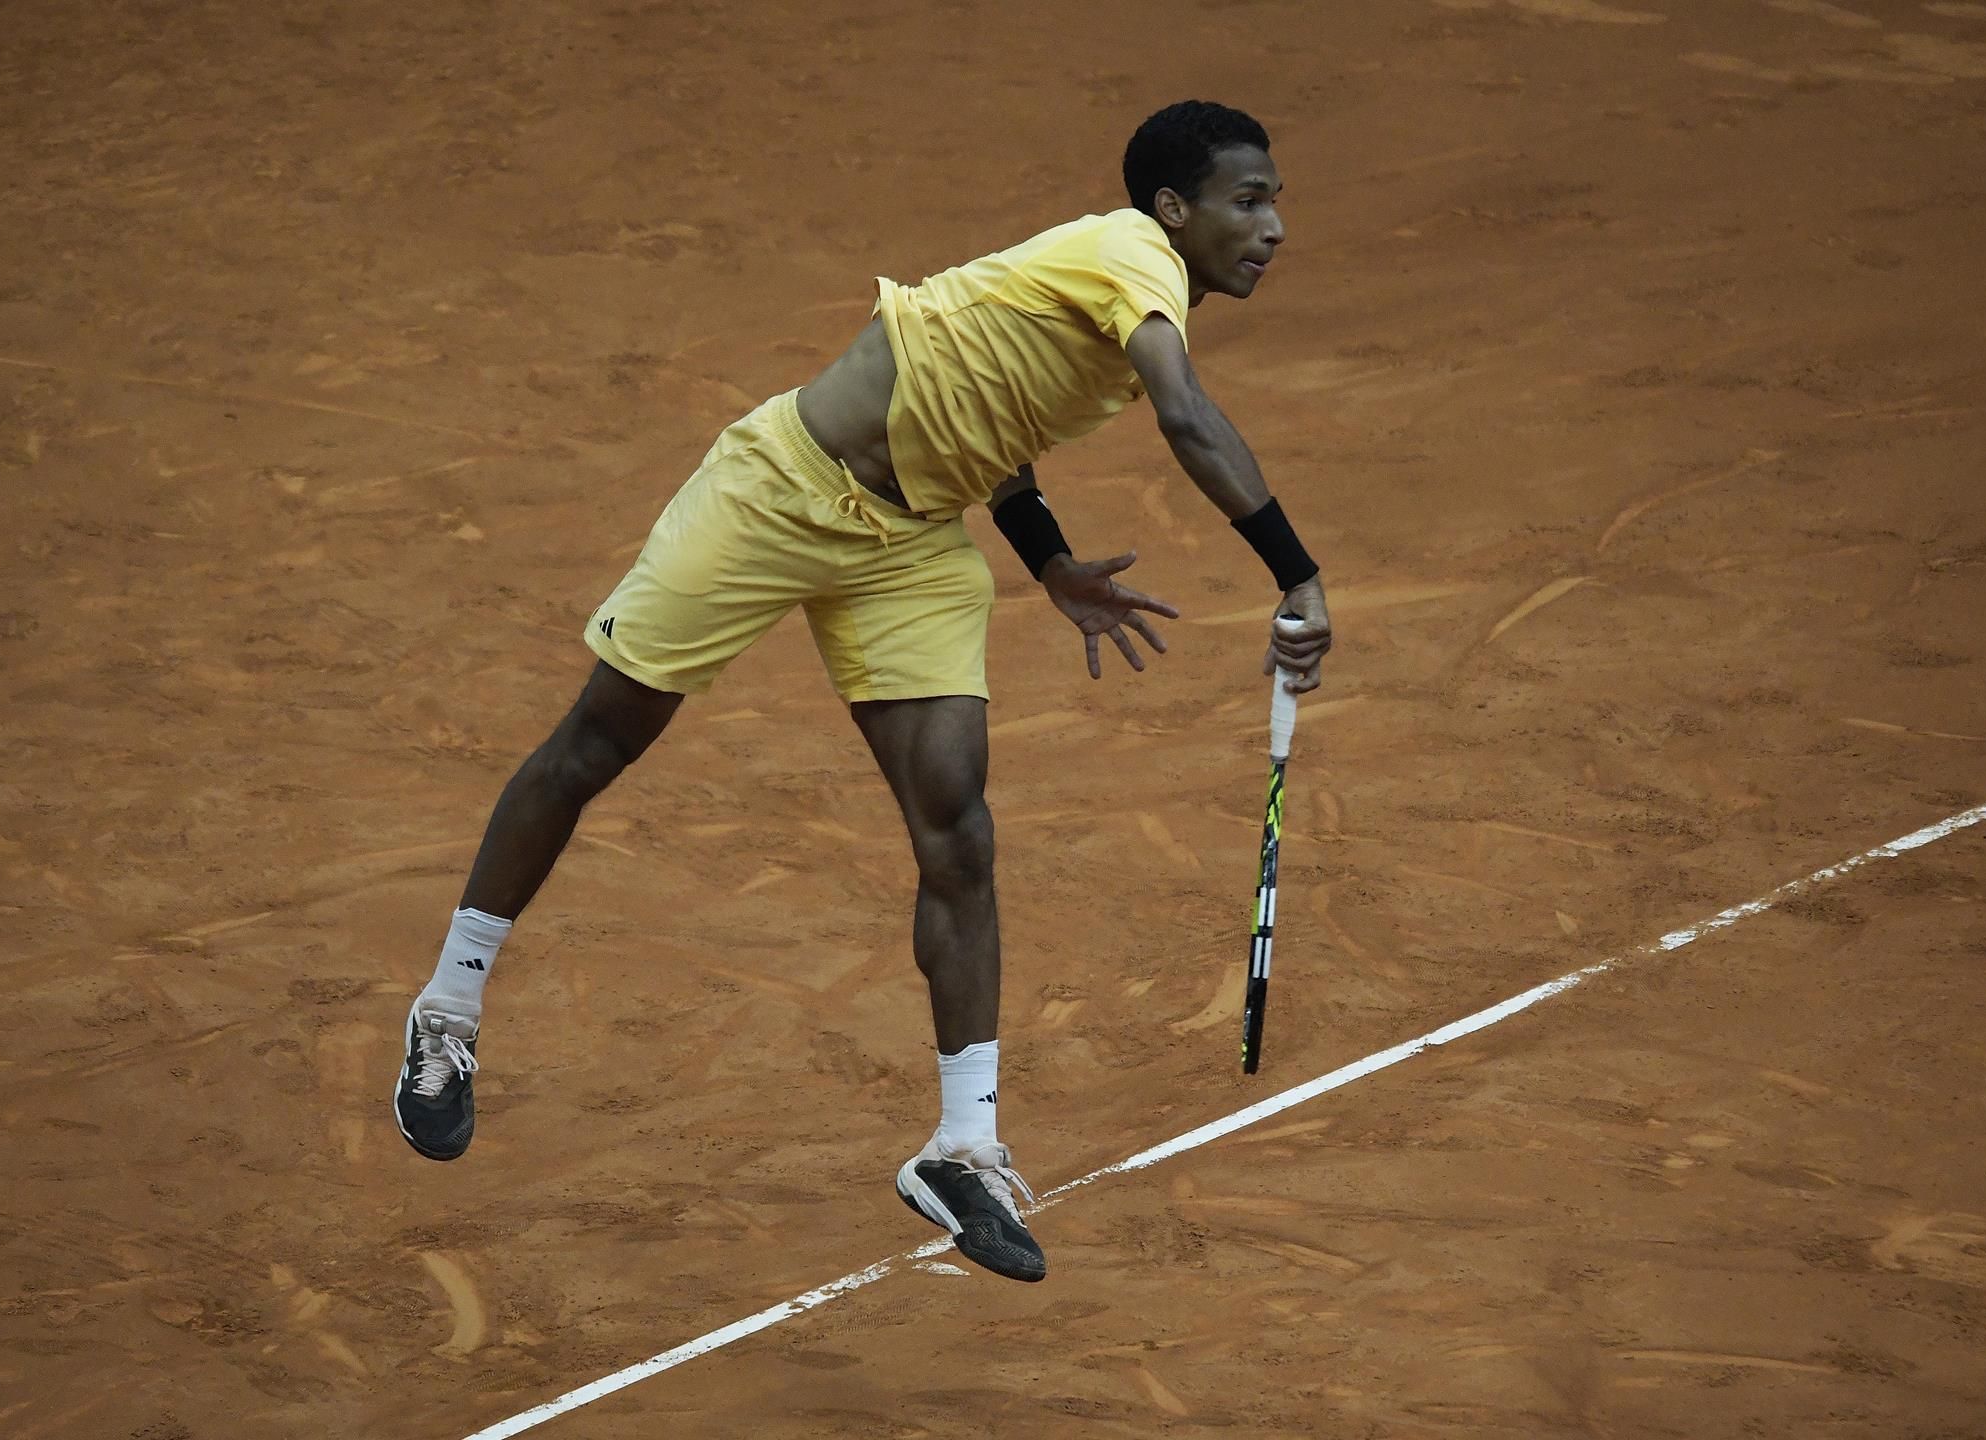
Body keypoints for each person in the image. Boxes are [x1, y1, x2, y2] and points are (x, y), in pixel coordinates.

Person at [392, 100, 1331, 1283]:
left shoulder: (1110, 300)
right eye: (1250, 201)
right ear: (1173, 210)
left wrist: (1044, 559)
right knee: (598, 743)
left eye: (1276, 200)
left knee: (958, 826)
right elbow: (1188, 422)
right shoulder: (1130, 260)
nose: (1275, 226)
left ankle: (962, 1147)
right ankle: (448, 1012)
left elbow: (996, 405)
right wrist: (1294, 574)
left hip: (912, 545)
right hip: (779, 492)